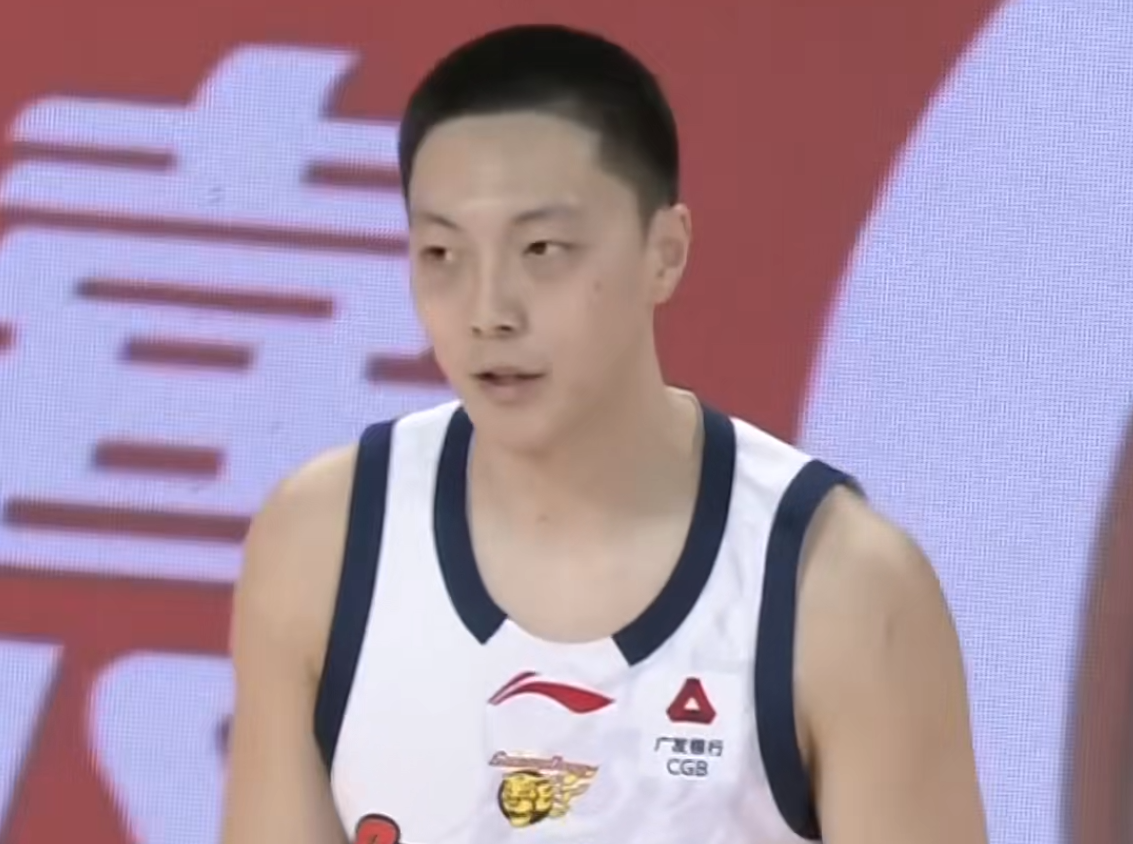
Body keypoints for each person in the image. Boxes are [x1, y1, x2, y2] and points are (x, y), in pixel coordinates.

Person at [220, 23, 987, 844]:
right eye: (442, 253)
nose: (488, 311)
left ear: (665, 252)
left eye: (541, 249)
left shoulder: (840, 588)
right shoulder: (325, 543)